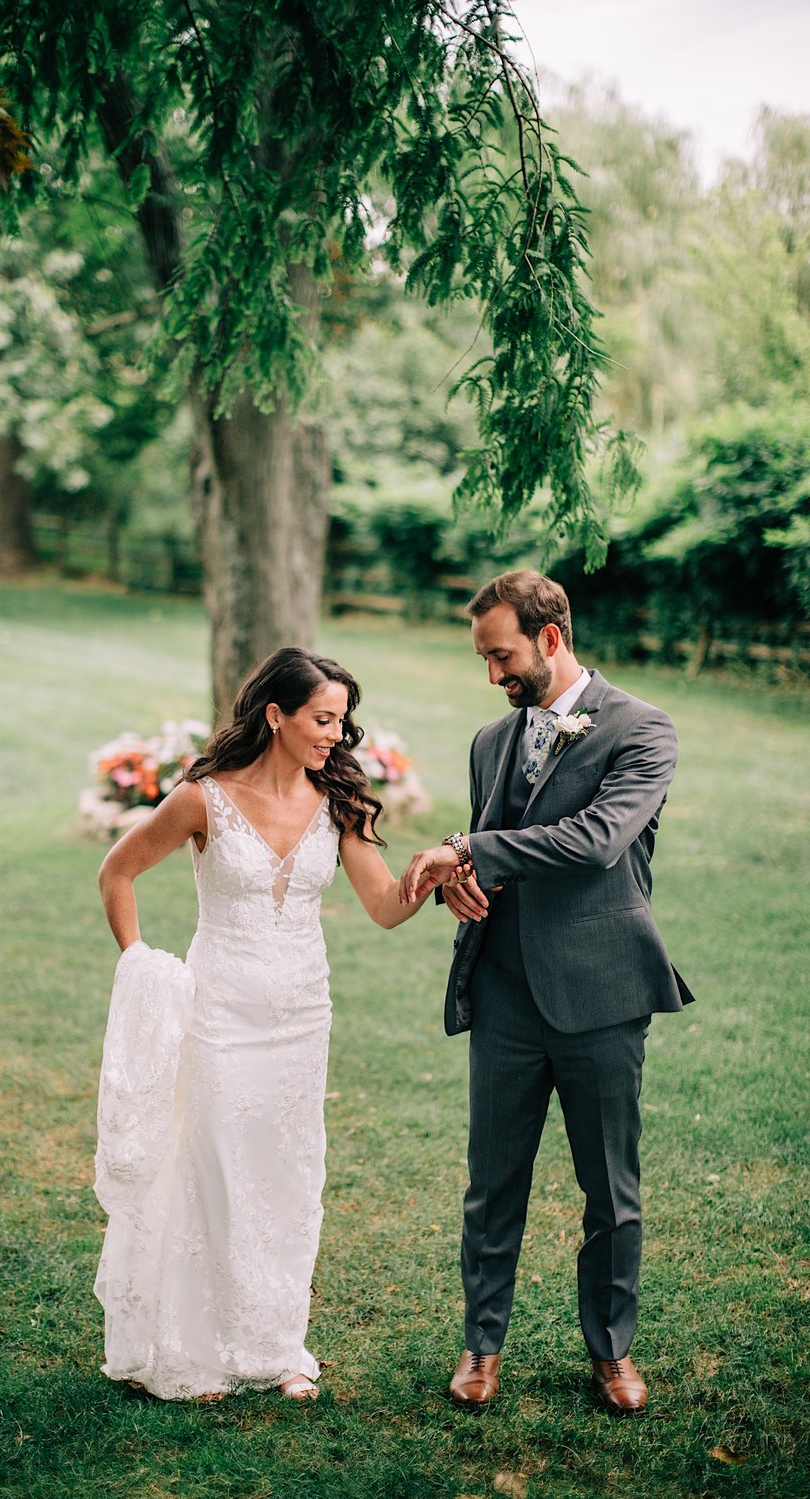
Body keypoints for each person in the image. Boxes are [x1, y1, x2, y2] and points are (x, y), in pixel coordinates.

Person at [94, 646, 428, 1402]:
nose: (336, 736)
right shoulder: (203, 798)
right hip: (219, 1013)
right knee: (214, 1169)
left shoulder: (342, 798)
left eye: (342, 720)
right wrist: (142, 966)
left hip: (302, 1017)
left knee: (287, 1173)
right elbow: (117, 871)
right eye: (321, 718)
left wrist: (425, 879)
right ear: (275, 714)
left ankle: (276, 1344)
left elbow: (382, 904)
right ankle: (194, 1349)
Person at [399, 570, 694, 1417]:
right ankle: (480, 1346)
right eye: (484, 658)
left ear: (551, 637)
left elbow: (599, 841)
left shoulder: (644, 730)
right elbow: (493, 852)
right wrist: (465, 879)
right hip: (504, 993)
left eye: (502, 655)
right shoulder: (492, 740)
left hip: (601, 993)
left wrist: (469, 848)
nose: (493, 674)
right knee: (492, 1182)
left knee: (611, 1185)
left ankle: (611, 1351)